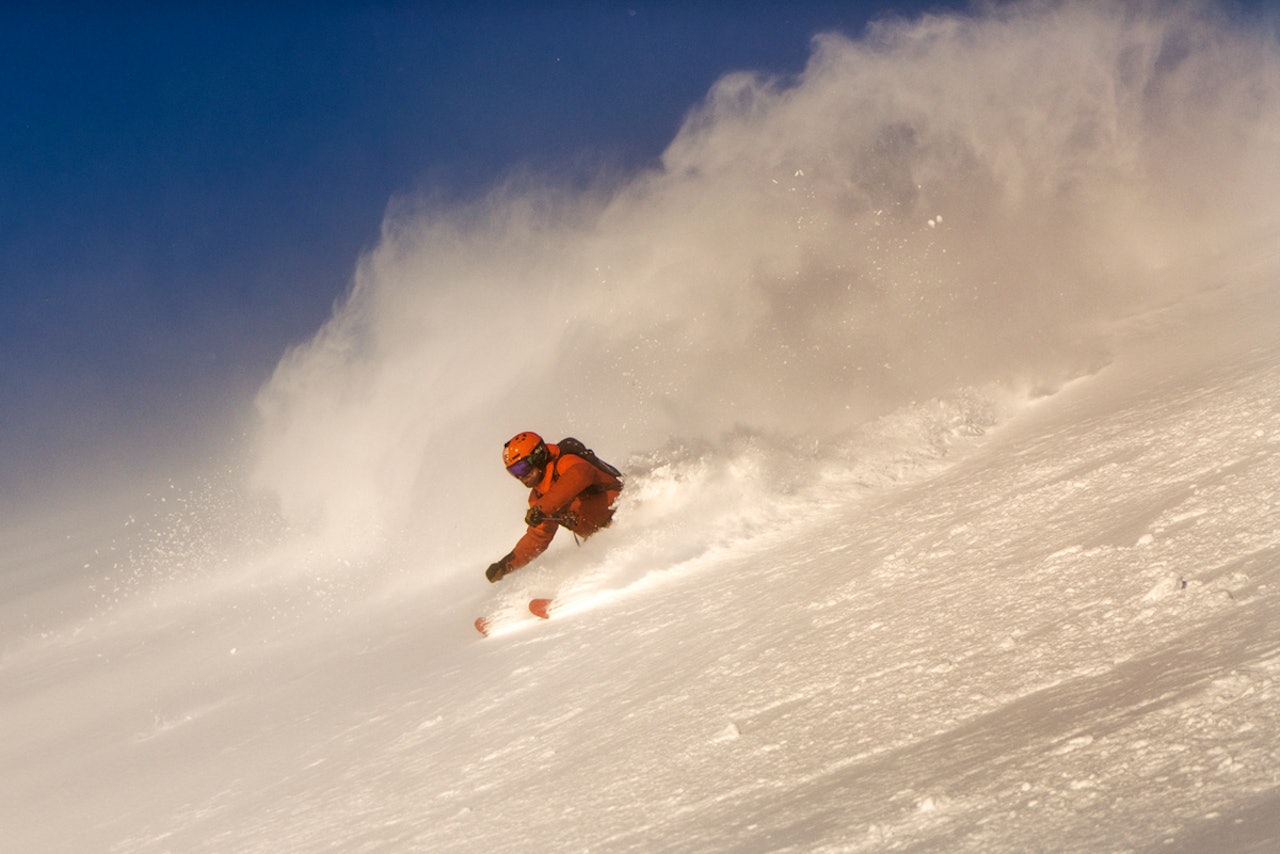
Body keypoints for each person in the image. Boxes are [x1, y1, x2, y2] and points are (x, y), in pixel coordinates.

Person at [485, 432, 623, 583]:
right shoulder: (538, 498)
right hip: (602, 538)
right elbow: (538, 537)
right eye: (514, 472)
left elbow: (580, 475)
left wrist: (542, 508)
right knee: (582, 572)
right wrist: (505, 565)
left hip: (625, 515)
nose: (521, 477)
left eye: (521, 468)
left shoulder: (564, 463)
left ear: (537, 457)